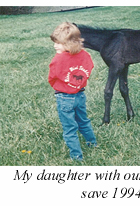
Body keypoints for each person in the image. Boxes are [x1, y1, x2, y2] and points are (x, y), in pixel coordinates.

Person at [48, 22, 97, 161]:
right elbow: (89, 68)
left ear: (69, 43)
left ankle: (76, 156)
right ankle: (92, 144)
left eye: (58, 43)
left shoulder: (58, 59)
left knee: (69, 128)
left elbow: (52, 77)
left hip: (64, 98)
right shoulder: (85, 55)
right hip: (80, 94)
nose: (54, 46)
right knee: (83, 121)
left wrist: (59, 85)